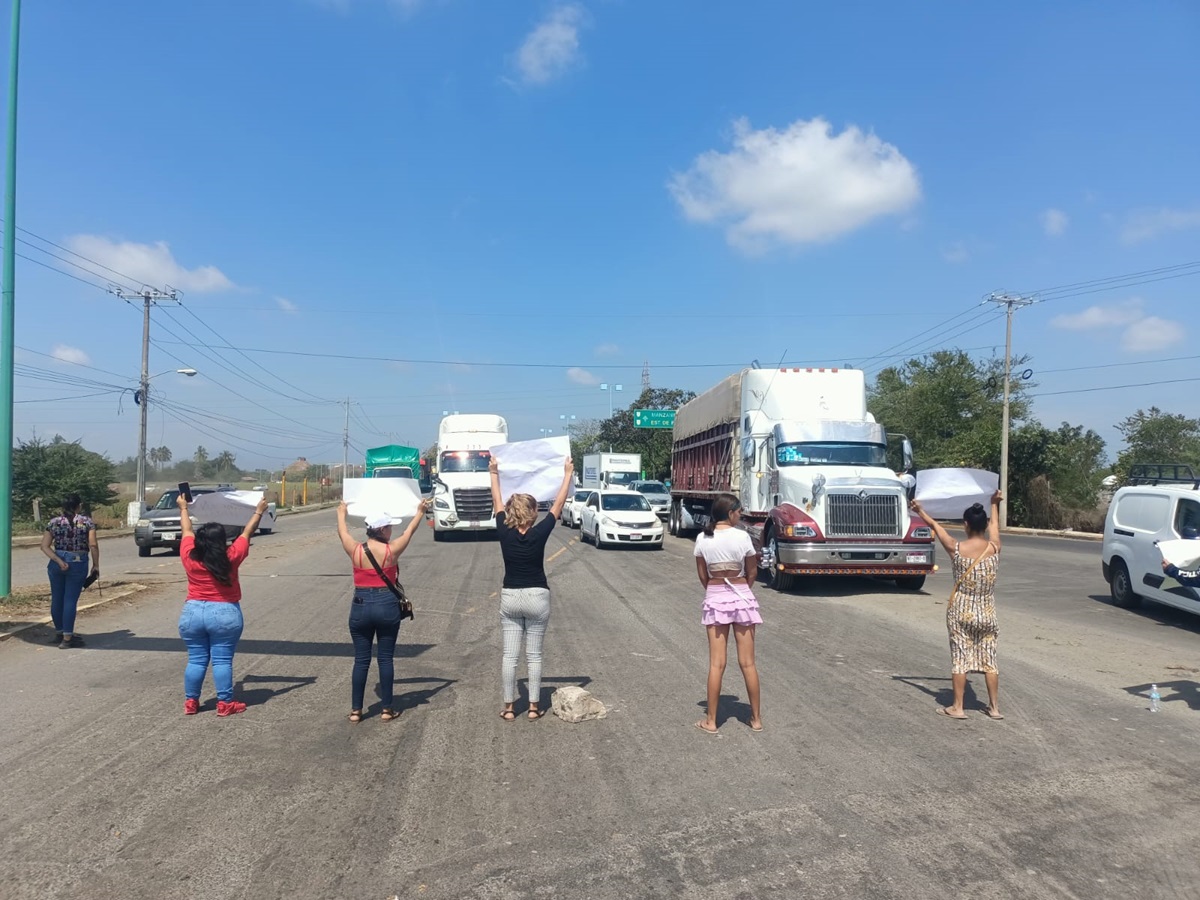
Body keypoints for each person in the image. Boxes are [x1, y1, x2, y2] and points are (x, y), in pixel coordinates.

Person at [489, 454, 574, 721]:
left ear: (512, 512)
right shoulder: (540, 532)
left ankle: (510, 707)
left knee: (509, 656)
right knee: (534, 655)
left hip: (511, 596)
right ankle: (535, 707)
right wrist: (567, 474)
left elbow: (496, 500)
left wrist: (494, 472)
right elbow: (558, 505)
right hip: (537, 595)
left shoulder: (504, 530)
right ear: (532, 513)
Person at [910, 490, 1004, 720]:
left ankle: (958, 707)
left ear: (965, 524)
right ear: (984, 524)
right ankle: (994, 708)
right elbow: (995, 529)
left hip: (961, 611)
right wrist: (994, 504)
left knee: (960, 658)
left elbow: (935, 525)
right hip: (988, 612)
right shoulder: (994, 548)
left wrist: (920, 510)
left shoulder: (956, 548)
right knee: (989, 660)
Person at [336, 498, 430, 723]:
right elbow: (410, 531)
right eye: (389, 527)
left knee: (361, 660)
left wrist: (341, 513)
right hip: (386, 605)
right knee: (386, 659)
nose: (392, 530)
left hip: (360, 605)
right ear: (383, 530)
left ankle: (356, 711)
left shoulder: (355, 550)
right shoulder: (392, 551)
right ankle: (387, 709)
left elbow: (343, 532)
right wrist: (419, 512)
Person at [177, 493, 270, 716]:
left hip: (192, 612)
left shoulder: (189, 555)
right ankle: (224, 703)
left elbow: (186, 530)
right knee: (222, 660)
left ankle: (191, 702)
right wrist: (258, 511)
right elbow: (248, 531)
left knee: (196, 659)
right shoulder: (231, 556)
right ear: (221, 540)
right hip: (224, 612)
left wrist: (183, 508)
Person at [693, 493, 763, 734]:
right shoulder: (742, 536)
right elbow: (752, 571)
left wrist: (717, 591)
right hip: (743, 596)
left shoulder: (703, 538)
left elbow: (703, 575)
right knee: (748, 663)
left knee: (716, 664)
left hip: (715, 596)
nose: (740, 515)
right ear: (731, 513)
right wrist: (741, 589)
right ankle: (756, 719)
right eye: (739, 511)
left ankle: (711, 721)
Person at [40, 494, 99, 648]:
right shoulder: (86, 522)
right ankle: (67, 638)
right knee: (70, 600)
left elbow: (44, 546)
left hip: (57, 562)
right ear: (78, 506)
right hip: (78, 562)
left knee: (57, 598)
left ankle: (59, 633)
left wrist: (59, 561)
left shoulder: (53, 522)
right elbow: (93, 545)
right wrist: (95, 564)